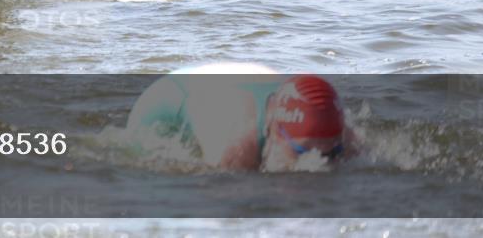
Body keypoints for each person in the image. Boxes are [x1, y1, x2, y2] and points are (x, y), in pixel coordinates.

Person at [127, 69, 356, 170]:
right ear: (275, 132)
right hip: (168, 99)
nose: (321, 163)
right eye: (303, 152)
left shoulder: (339, 135)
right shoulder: (234, 147)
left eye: (332, 154)